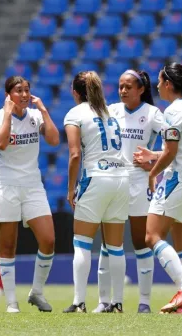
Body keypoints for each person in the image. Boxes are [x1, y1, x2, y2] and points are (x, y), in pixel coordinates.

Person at [134, 63, 182, 313]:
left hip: (178, 179)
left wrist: (153, 172)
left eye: (160, 81)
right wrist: (154, 155)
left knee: (151, 236)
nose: (157, 86)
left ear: (169, 85)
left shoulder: (173, 112)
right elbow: (178, 148)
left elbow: (172, 152)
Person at [94, 69, 164, 314]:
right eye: (120, 86)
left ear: (141, 89)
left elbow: (174, 144)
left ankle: (144, 302)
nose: (123, 91)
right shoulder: (111, 110)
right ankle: (105, 301)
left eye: (128, 87)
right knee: (108, 243)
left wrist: (153, 160)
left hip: (139, 181)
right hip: (113, 180)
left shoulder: (153, 113)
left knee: (140, 242)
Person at [0, 76, 59, 313]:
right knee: (8, 246)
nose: (24, 94)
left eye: (27, 90)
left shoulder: (36, 116)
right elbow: (0, 143)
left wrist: (43, 109)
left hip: (32, 185)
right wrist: (8, 114)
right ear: (8, 94)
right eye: (18, 90)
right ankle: (11, 303)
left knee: (48, 240)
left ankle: (36, 292)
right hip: (5, 184)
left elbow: (53, 139)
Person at [63, 71, 129, 313]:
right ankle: (118, 303)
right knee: (116, 246)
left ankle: (79, 302)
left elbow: (74, 154)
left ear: (75, 92)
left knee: (81, 243)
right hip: (121, 178)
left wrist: (71, 189)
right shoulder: (110, 111)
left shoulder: (75, 113)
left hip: (96, 177)